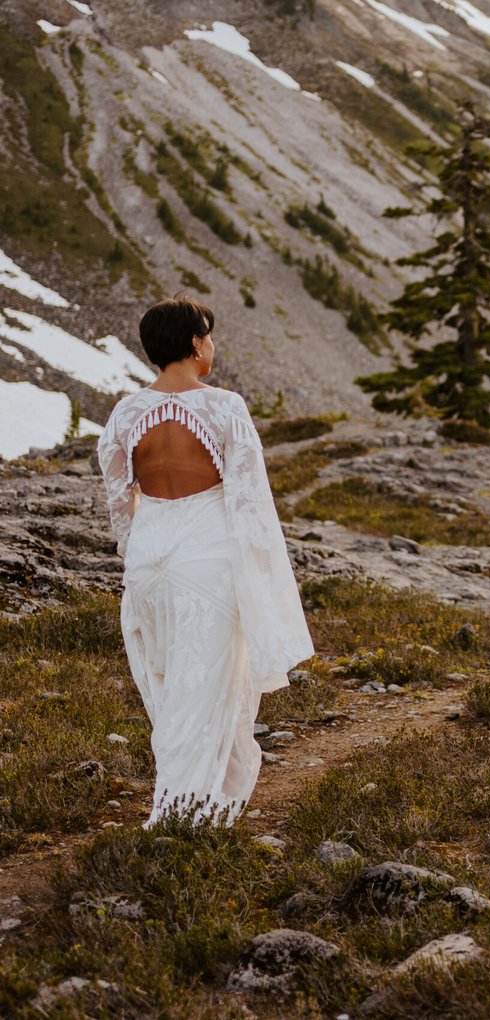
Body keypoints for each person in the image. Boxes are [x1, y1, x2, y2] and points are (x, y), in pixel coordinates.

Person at [97, 294, 315, 828]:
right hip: (207, 561)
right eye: (209, 337)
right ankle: (185, 815)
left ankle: (180, 803)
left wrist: (141, 546)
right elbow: (249, 499)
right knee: (206, 689)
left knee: (172, 687)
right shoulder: (224, 407)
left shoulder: (125, 413)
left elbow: (119, 499)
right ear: (196, 344)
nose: (212, 346)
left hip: (149, 563)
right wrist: (260, 576)